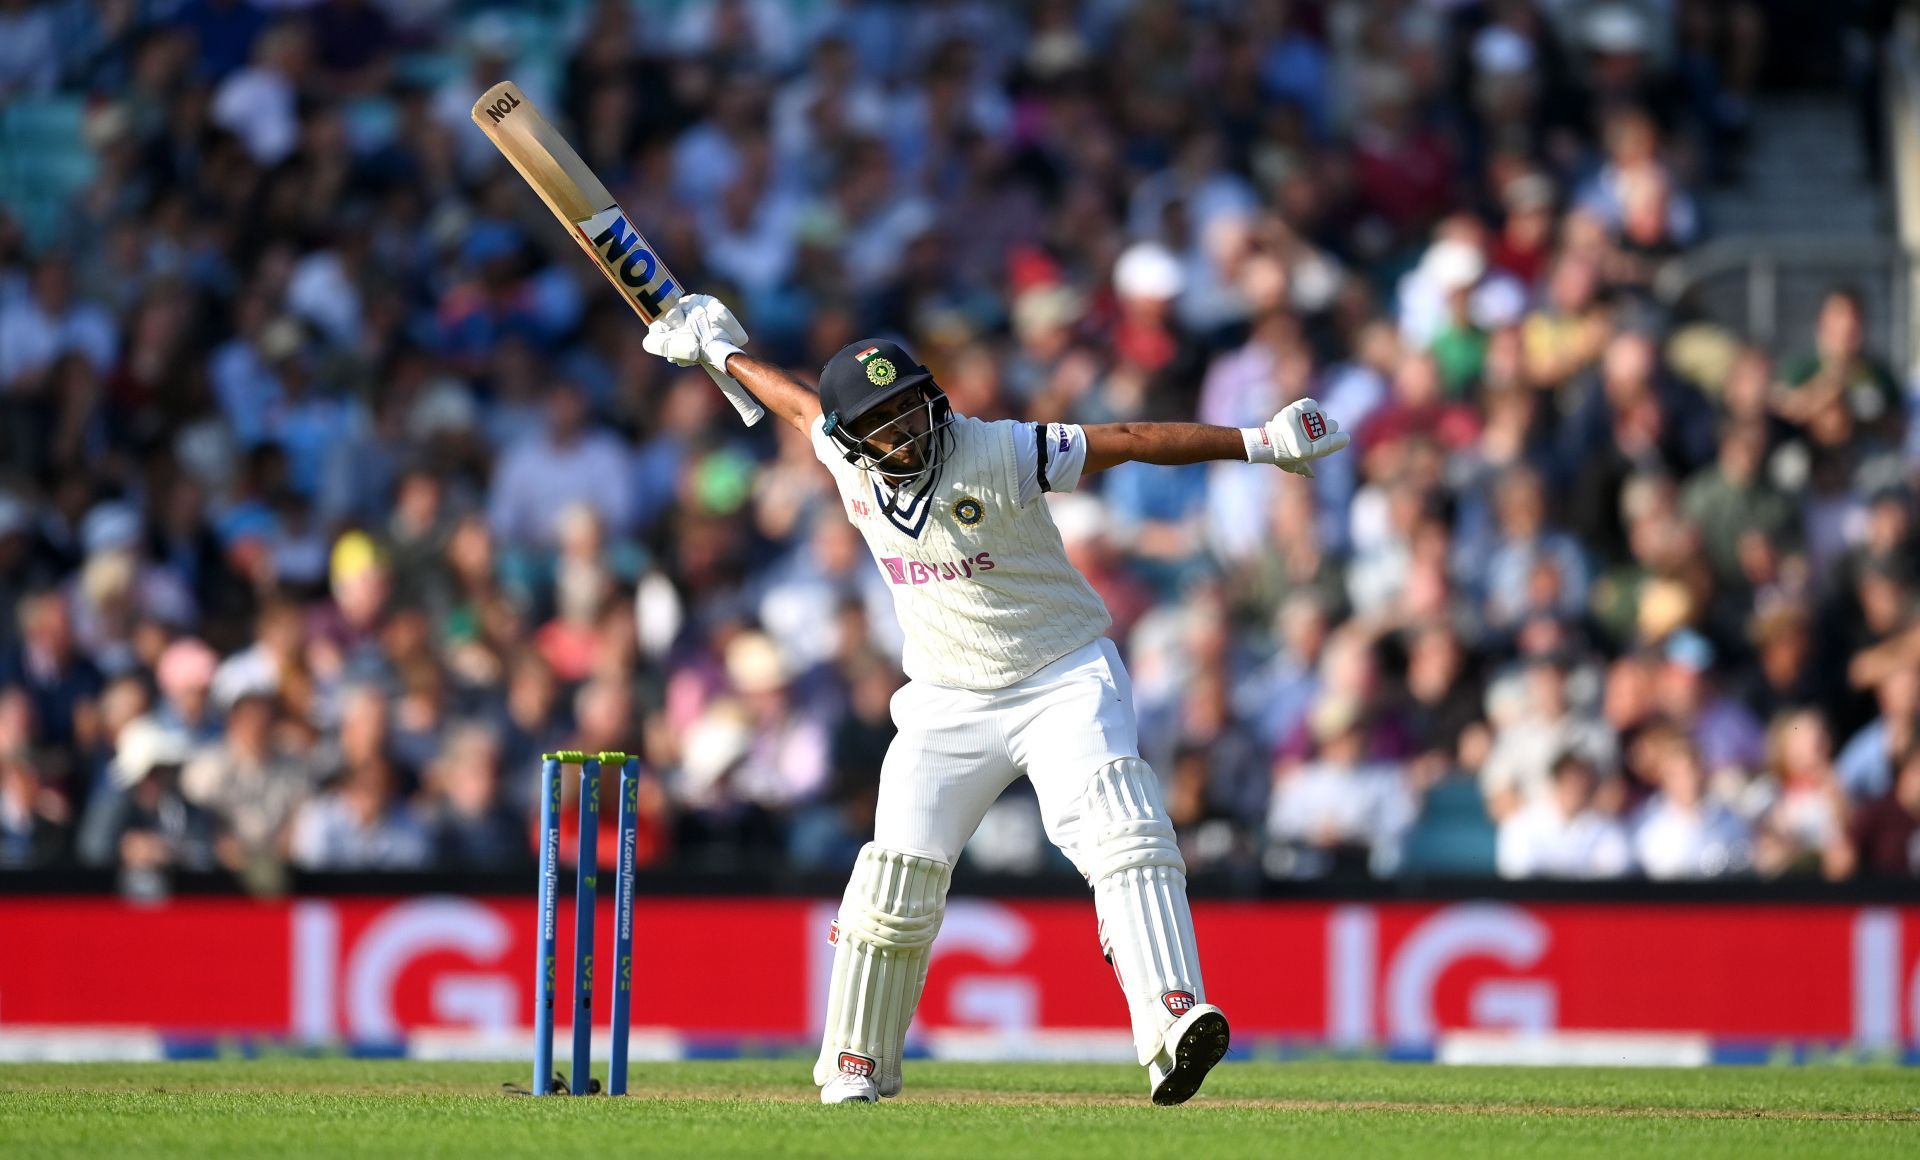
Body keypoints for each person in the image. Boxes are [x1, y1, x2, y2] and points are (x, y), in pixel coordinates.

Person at [642, 294, 1348, 1105]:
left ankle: (1172, 1020)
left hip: (1062, 675)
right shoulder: (841, 459)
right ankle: (856, 1064)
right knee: (895, 878)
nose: (906, 431)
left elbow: (1130, 440)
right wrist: (720, 355)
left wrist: (1259, 443)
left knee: (1125, 830)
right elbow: (800, 403)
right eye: (883, 421)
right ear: (851, 438)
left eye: (912, 409)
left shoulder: (1003, 450)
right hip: (947, 699)